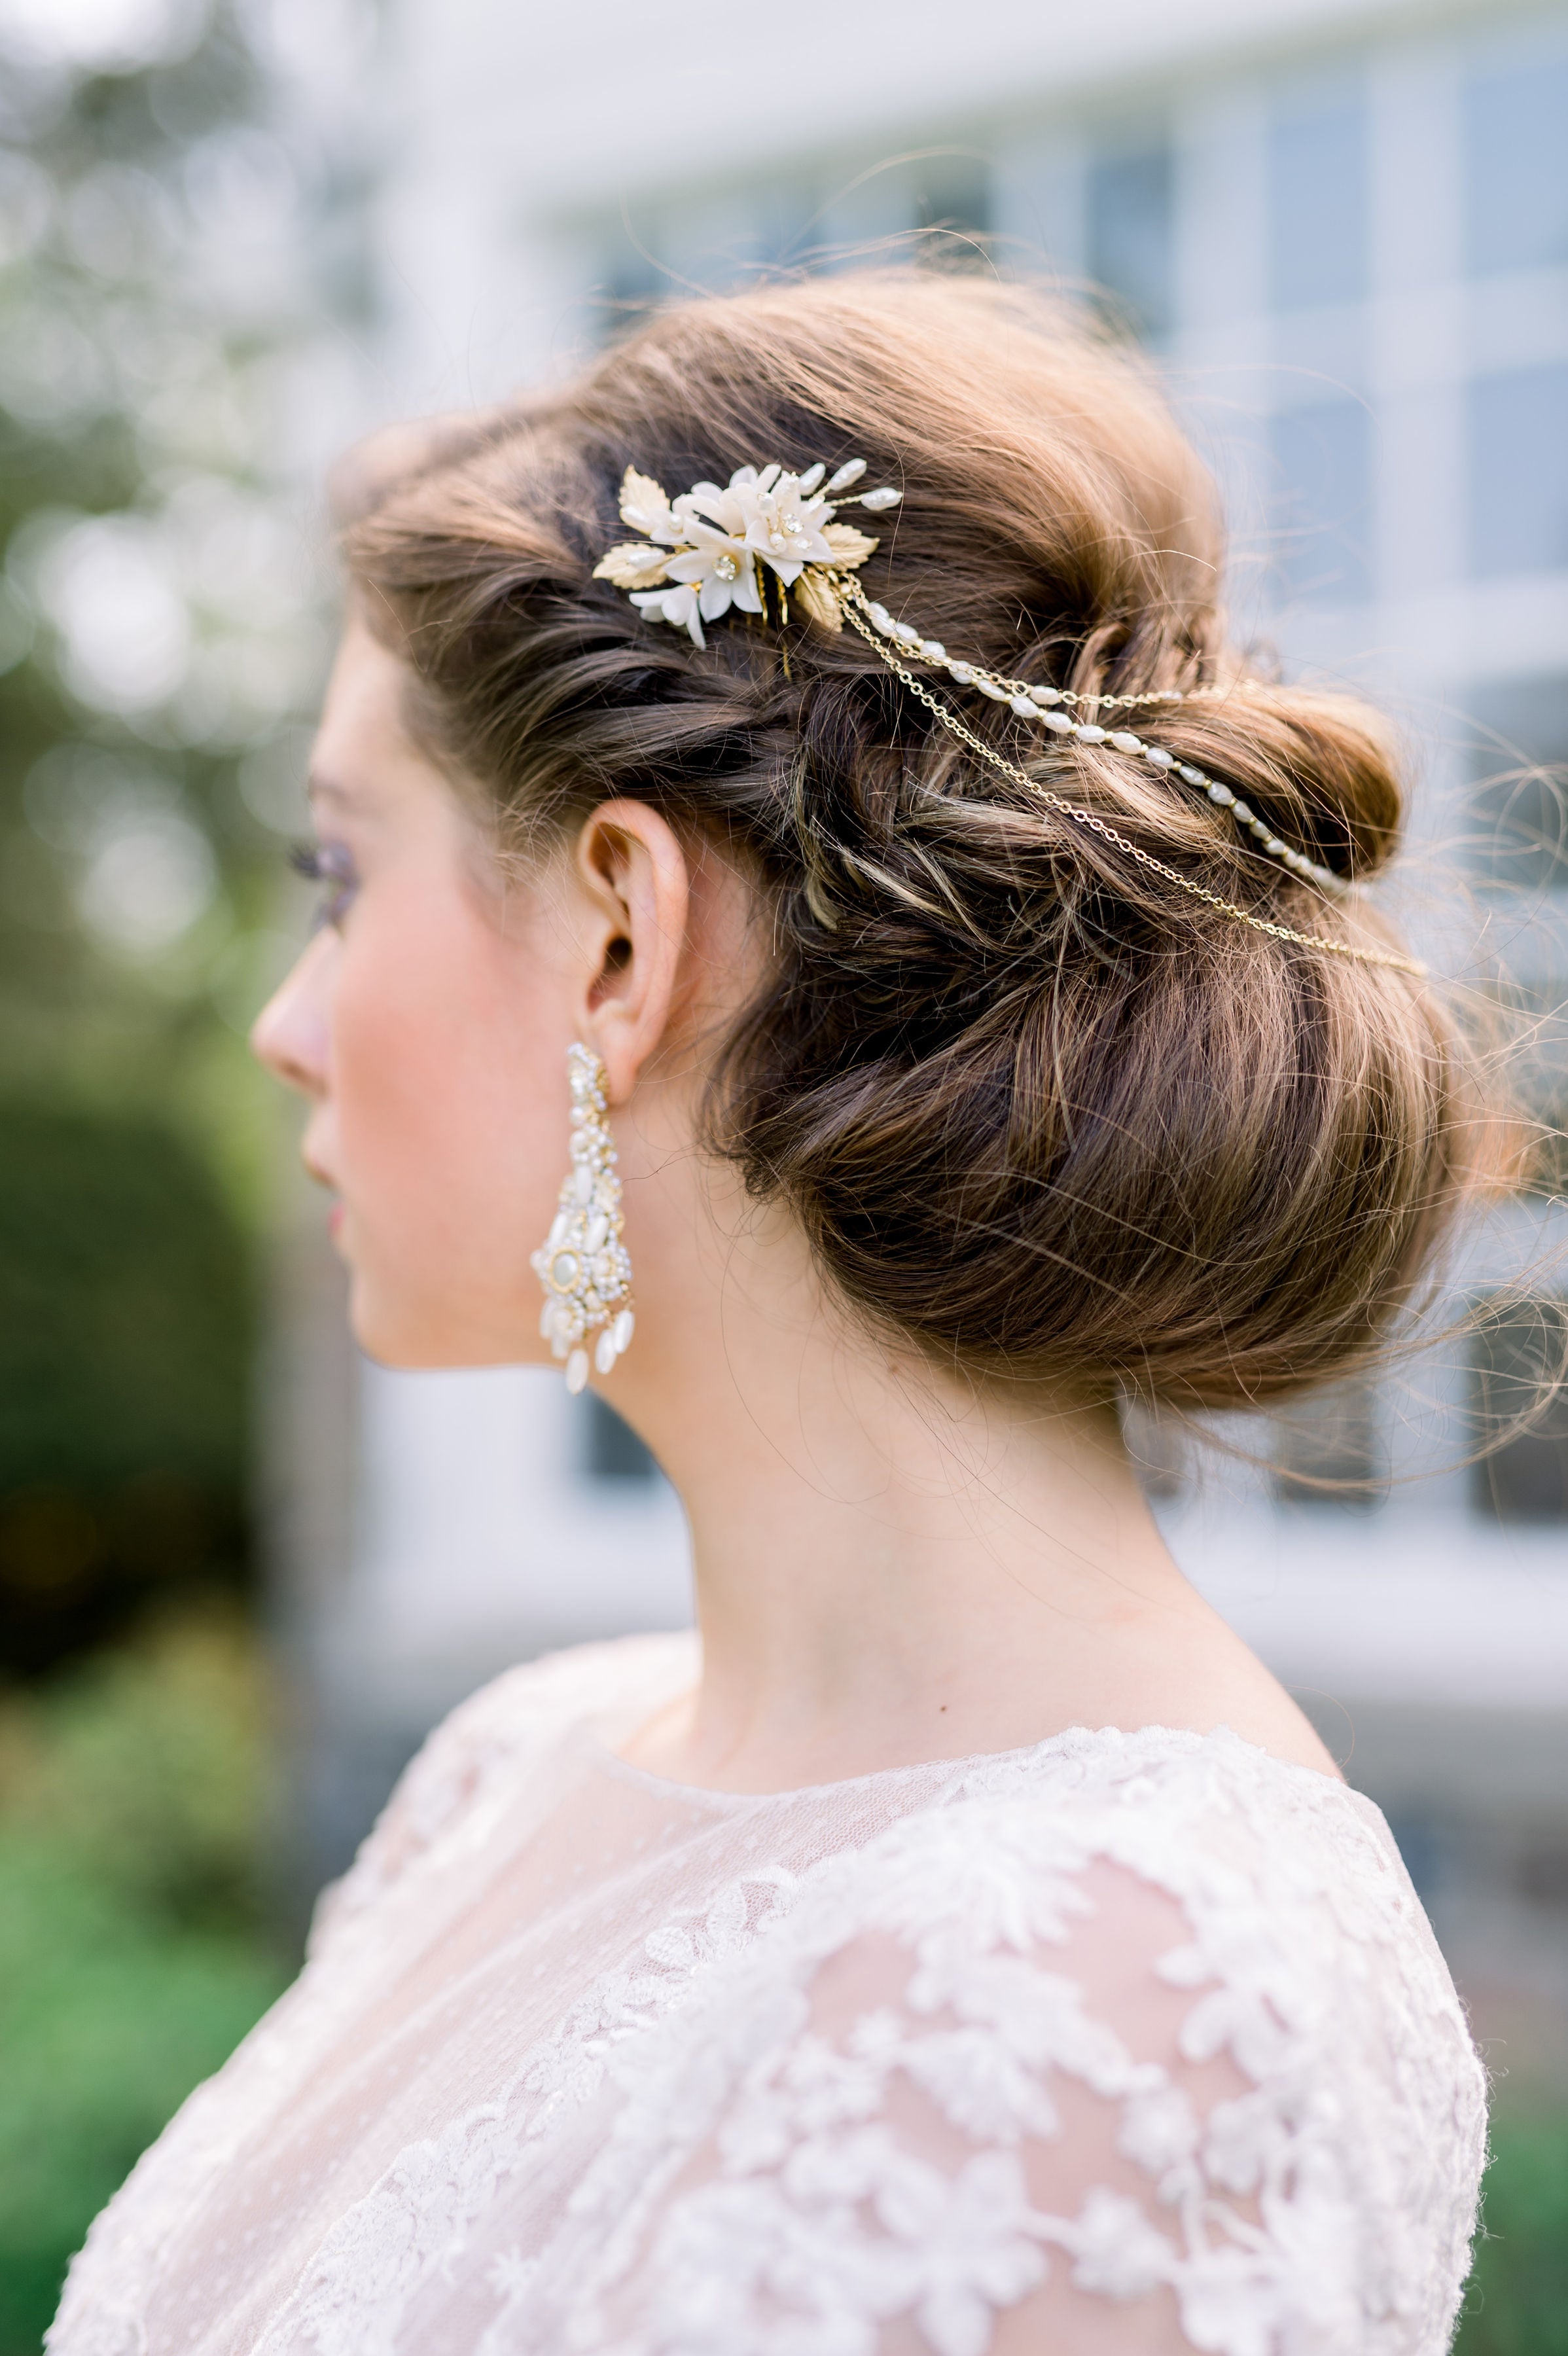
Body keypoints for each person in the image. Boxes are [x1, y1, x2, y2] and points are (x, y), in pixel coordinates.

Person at [50, 274, 1488, 2355]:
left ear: (623, 938)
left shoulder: (1102, 1985)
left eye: (342, 877)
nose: (285, 1026)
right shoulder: (516, 1763)